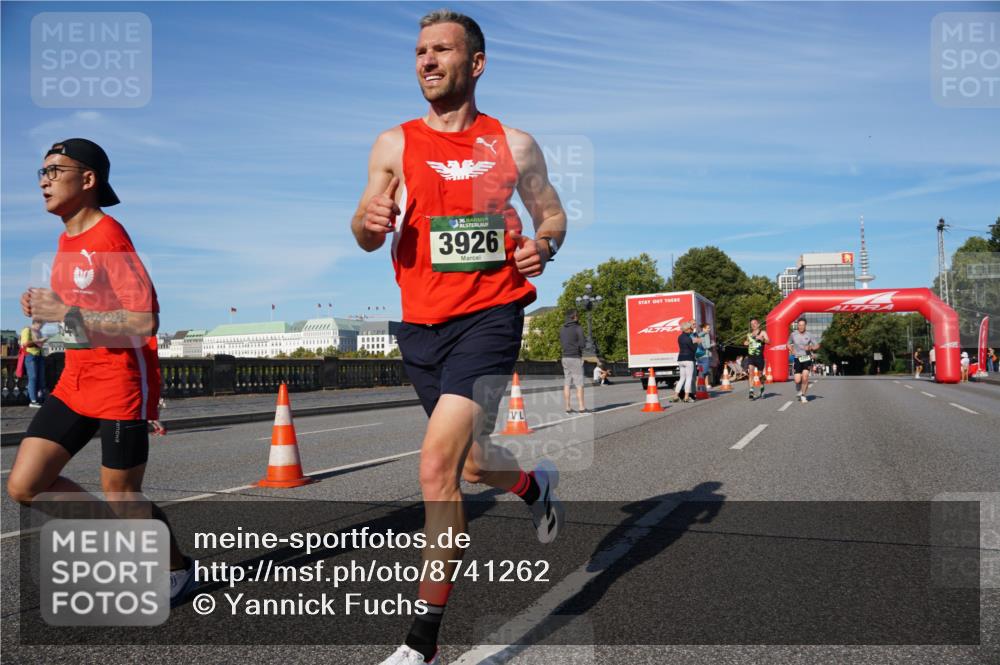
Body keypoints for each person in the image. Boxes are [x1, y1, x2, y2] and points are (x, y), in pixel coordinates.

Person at [349, 11, 568, 665]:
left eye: (441, 49)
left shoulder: (515, 145)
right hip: (421, 326)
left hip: (490, 316)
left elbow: (550, 212)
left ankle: (422, 643)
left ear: (476, 63)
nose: (426, 60)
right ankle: (533, 485)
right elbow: (365, 232)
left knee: (435, 468)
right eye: (419, 51)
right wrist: (365, 219)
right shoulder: (393, 143)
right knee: (473, 464)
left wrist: (543, 244)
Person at [7, 138, 196, 607]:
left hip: (117, 385)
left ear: (87, 179)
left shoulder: (110, 236)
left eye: (55, 169)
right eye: (42, 171)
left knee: (123, 495)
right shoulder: (66, 239)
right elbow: (82, 317)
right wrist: (44, 311)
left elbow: (145, 320)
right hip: (75, 381)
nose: (45, 179)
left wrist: (64, 310)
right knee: (25, 486)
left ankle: (175, 569)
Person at [560, 309, 587, 412]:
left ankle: (567, 407)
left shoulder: (562, 328)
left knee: (567, 382)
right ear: (574, 317)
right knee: (579, 383)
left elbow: (562, 342)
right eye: (577, 315)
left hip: (565, 357)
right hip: (575, 357)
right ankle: (581, 407)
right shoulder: (578, 328)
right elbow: (582, 344)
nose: (578, 317)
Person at [789, 318, 819, 403]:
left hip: (806, 357)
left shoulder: (809, 335)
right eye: (799, 325)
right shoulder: (793, 334)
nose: (801, 327)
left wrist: (810, 347)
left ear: (805, 326)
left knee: (805, 377)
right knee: (797, 380)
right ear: (797, 326)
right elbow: (788, 343)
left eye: (802, 325)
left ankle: (803, 395)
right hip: (797, 358)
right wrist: (791, 349)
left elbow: (817, 345)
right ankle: (799, 387)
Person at [19, 321, 48, 406]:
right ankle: (33, 401)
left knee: (41, 378)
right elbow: (25, 344)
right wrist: (39, 340)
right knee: (33, 378)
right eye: (41, 324)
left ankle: (40, 398)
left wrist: (41, 342)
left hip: (40, 355)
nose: (42, 326)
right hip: (31, 356)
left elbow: (39, 344)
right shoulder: (27, 330)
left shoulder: (39, 332)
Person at [669, 321, 698, 403]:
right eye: (690, 328)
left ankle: (675, 396)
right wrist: (697, 342)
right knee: (689, 378)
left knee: (682, 378)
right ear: (688, 329)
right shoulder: (689, 338)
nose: (691, 330)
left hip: (680, 359)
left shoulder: (680, 337)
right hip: (688, 359)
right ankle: (686, 397)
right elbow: (694, 349)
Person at [743, 318, 769, 399]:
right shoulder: (749, 334)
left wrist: (762, 339)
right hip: (751, 357)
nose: (753, 325)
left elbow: (769, 341)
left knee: (760, 375)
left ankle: (762, 389)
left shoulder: (763, 332)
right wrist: (745, 343)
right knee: (751, 373)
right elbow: (746, 342)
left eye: (754, 323)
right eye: (751, 324)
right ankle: (751, 391)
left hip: (759, 357)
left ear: (758, 324)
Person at [697, 322, 714, 389]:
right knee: (705, 371)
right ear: (704, 328)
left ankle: (700, 386)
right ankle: (701, 386)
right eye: (708, 328)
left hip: (699, 355)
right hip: (705, 355)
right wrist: (713, 344)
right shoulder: (706, 334)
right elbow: (707, 346)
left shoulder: (699, 334)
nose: (709, 329)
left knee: (700, 371)